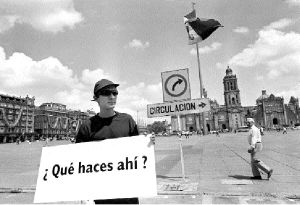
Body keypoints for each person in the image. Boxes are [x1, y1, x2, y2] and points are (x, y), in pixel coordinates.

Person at [76, 79, 153, 204]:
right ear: (96, 98)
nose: (112, 96)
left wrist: (147, 143)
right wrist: (84, 195)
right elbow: (77, 162)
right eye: (106, 93)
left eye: (115, 93)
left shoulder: (127, 120)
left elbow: (138, 154)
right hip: (100, 196)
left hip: (127, 195)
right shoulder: (87, 126)